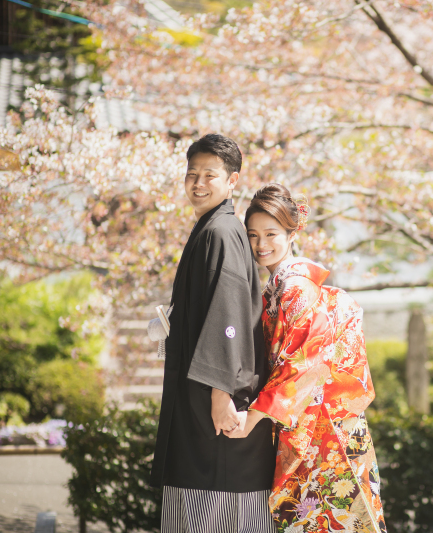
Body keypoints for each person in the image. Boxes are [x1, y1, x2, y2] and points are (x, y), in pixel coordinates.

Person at [226, 183, 387, 533]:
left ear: (292, 232)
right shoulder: (280, 285)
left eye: (271, 233)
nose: (261, 244)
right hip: (314, 421)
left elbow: (303, 365)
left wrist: (250, 420)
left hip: (323, 428)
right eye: (252, 235)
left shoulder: (296, 287)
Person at [150, 134, 277, 533]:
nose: (198, 183)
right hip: (200, 401)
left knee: (214, 513)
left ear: (232, 180)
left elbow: (228, 315)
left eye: (210, 174)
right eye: (192, 174)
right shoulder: (211, 228)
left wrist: (221, 393)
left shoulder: (221, 232)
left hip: (215, 408)